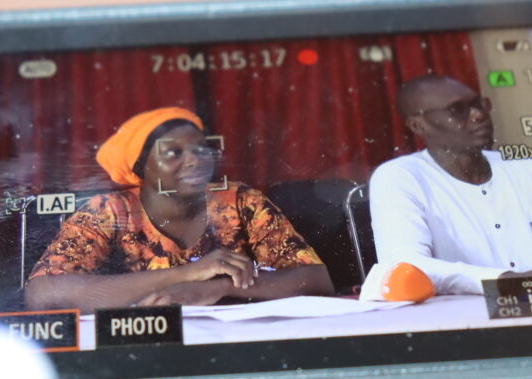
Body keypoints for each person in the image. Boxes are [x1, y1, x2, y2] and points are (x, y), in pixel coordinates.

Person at [25, 107, 334, 311]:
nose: (195, 160)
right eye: (173, 153)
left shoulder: (239, 200)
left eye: (201, 149)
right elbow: (44, 294)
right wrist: (190, 273)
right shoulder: (109, 210)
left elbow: (316, 280)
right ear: (140, 167)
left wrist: (218, 288)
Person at [368, 75, 532, 295]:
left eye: (480, 104)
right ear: (419, 125)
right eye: (457, 109)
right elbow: (405, 266)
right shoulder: (401, 177)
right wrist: (508, 281)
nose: (479, 115)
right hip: (462, 313)